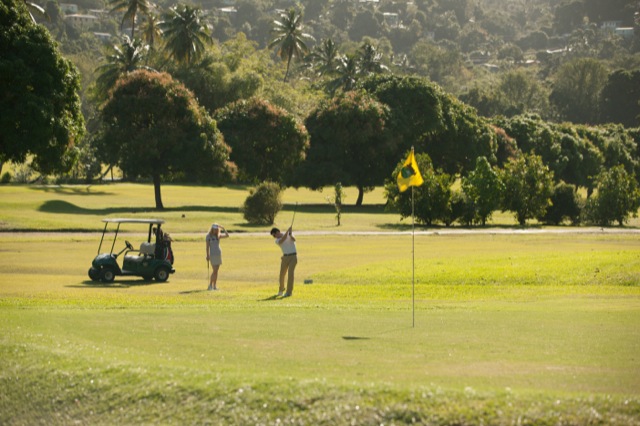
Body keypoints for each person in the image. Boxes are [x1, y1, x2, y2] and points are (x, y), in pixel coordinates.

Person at [270, 226, 297, 297]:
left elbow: (294, 240)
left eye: (274, 235)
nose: (275, 237)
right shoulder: (277, 240)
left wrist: (290, 234)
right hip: (285, 257)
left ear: (278, 232)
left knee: (290, 274)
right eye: (273, 236)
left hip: (293, 257)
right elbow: (283, 240)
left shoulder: (289, 234)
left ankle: (289, 292)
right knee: (282, 275)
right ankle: (281, 290)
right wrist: (288, 231)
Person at [206, 223, 229, 291]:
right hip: (212, 254)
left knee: (216, 271)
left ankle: (214, 286)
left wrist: (223, 228)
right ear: (212, 229)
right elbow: (207, 247)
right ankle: (210, 285)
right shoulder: (208, 236)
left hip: (218, 253)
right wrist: (207, 255)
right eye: (214, 229)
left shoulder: (218, 235)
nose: (215, 230)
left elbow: (227, 235)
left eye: (216, 229)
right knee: (214, 270)